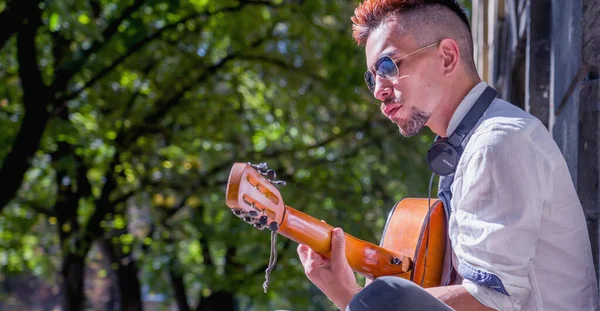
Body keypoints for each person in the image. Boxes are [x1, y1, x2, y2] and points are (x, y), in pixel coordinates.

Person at [296, 1, 600, 310]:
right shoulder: (469, 147)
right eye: (372, 77)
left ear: (447, 57)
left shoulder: (494, 143)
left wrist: (364, 301)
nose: (378, 90)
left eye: (387, 66)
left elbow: (490, 302)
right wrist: (348, 295)